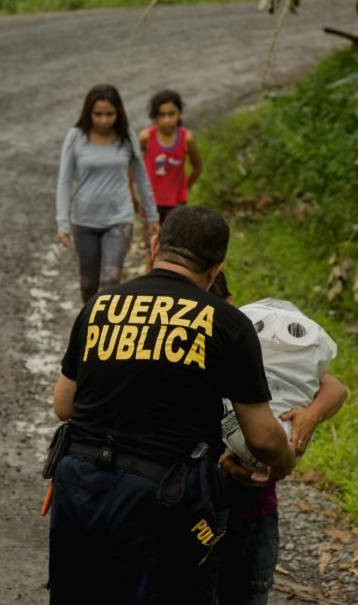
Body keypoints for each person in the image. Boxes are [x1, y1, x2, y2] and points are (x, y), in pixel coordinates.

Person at [47, 205, 295, 604]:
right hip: (161, 499)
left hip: (80, 486)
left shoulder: (100, 306)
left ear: (156, 244)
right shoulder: (227, 323)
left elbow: (64, 405)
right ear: (216, 268)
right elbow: (263, 439)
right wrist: (283, 465)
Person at [210, 271, 349, 605]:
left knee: (249, 590)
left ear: (229, 306)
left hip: (254, 510)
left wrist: (311, 415)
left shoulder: (247, 344)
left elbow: (336, 389)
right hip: (197, 506)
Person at [56, 83, 161, 303]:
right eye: (98, 114)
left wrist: (152, 215)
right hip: (85, 221)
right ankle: (90, 331)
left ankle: (106, 333)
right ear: (88, 112)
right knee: (88, 284)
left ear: (118, 113)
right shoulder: (76, 136)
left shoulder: (126, 136)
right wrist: (62, 223)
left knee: (111, 280)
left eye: (109, 114)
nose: (104, 120)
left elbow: (141, 175)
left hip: (118, 219)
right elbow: (65, 180)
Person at [133, 90, 202, 271]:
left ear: (179, 114)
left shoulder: (186, 138)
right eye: (161, 115)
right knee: (151, 252)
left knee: (174, 252)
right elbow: (132, 165)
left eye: (171, 114)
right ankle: (148, 290)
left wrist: (184, 188)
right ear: (154, 116)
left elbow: (197, 167)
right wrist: (133, 192)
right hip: (151, 205)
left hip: (176, 205)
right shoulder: (146, 138)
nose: (167, 120)